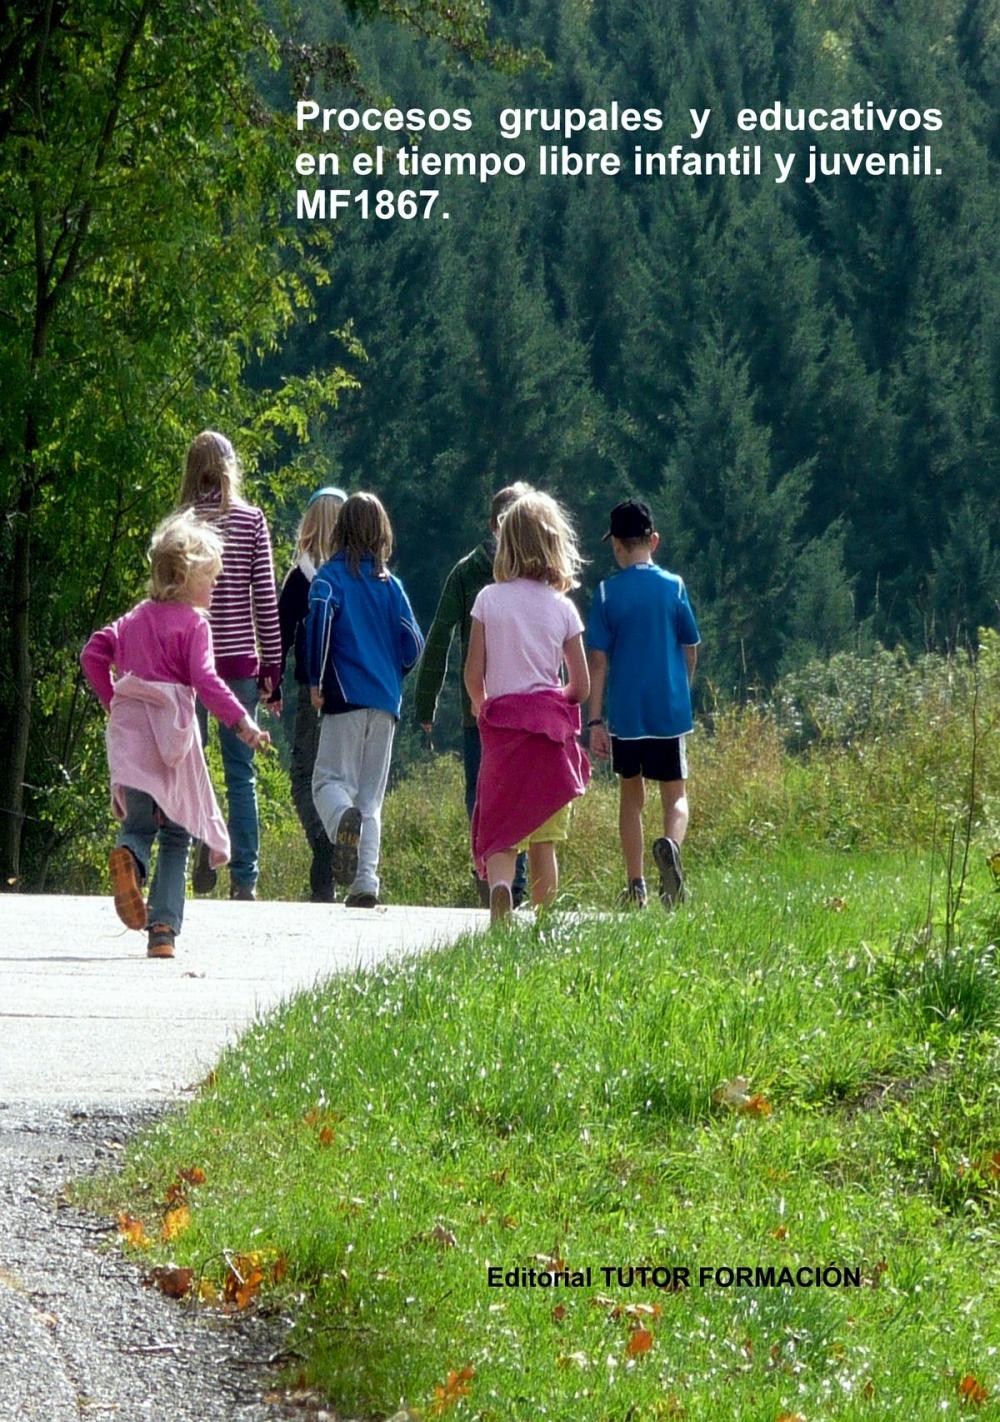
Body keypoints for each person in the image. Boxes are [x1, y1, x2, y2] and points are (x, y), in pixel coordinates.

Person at [80, 511, 271, 958]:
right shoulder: (193, 625)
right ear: (186, 577)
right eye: (210, 578)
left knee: (139, 824)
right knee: (178, 834)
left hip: (131, 740)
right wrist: (243, 723)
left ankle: (128, 854)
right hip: (173, 742)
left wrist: (115, 701)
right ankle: (163, 930)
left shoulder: (133, 619)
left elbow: (92, 653)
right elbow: (206, 681)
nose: (215, 587)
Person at [464, 491, 591, 925]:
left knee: (501, 830)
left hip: (503, 732)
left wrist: (485, 709)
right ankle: (544, 918)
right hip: (547, 736)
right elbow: (581, 685)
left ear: (506, 545)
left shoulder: (488, 599)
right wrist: (561, 700)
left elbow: (472, 673)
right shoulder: (564, 608)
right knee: (544, 840)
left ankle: (500, 891)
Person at [178, 430, 282, 902]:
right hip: (239, 661)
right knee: (241, 772)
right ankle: (245, 877)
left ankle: (196, 847)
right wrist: (272, 669)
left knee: (188, 764)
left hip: (185, 662)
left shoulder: (181, 524)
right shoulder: (251, 520)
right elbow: (265, 599)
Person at [415, 483, 531, 907]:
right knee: (519, 794)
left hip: (480, 707)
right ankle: (509, 881)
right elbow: (441, 637)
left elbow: (440, 636)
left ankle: (495, 875)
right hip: (521, 710)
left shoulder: (469, 569)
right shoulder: (536, 573)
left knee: (481, 794)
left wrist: (425, 704)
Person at [306, 492, 424, 908]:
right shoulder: (392, 586)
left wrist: (315, 679)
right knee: (371, 796)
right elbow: (413, 644)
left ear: (340, 529)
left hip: (345, 695)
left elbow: (319, 622)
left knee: (327, 782)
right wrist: (394, 673)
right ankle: (366, 882)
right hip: (385, 700)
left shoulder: (328, 579)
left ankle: (341, 823)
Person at [586, 498, 700, 909]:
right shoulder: (675, 587)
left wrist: (595, 720)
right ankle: (671, 845)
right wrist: (681, 692)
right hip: (669, 710)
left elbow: (597, 660)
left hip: (627, 714)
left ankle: (636, 886)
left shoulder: (605, 593)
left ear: (616, 545)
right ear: (654, 540)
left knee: (631, 799)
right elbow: (690, 646)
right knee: (676, 795)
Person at [272, 485, 346, 902]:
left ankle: (324, 844)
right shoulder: (358, 576)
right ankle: (338, 851)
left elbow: (280, 636)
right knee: (340, 778)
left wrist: (273, 682)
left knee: (304, 774)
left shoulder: (299, 579)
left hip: (310, 691)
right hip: (354, 692)